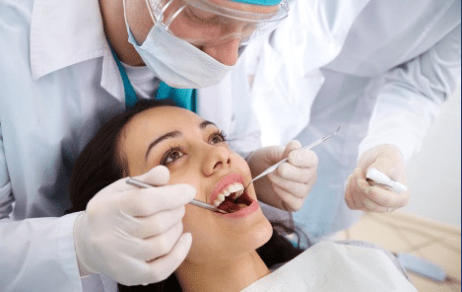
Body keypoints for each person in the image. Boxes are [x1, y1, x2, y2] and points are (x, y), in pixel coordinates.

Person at [0, 0, 318, 291]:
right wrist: (78, 245)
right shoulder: (9, 40)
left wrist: (252, 169)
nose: (228, 59)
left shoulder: (224, 39)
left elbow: (238, 131)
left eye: (249, 29)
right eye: (204, 16)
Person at [68, 99, 417, 292]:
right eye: (172, 155)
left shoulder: (363, 264)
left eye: (215, 138)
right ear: (130, 221)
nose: (221, 155)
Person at [243, 0, 461, 238]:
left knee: (295, 239)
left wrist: (389, 148)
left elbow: (422, 85)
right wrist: (244, 67)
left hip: (344, 121)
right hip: (272, 74)